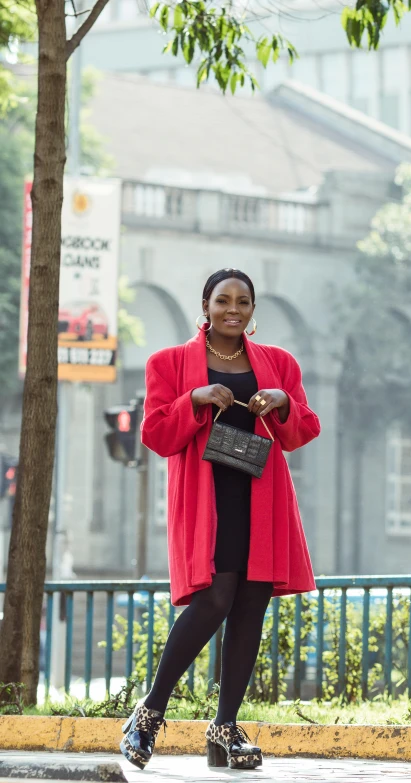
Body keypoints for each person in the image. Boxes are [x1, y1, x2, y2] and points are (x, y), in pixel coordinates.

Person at [120, 268, 320, 771]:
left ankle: (225, 728)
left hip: (261, 494)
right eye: (223, 300)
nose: (234, 309)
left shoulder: (279, 363)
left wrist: (282, 403)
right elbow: (156, 435)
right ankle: (148, 715)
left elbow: (303, 429)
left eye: (244, 302)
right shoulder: (168, 363)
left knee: (251, 602)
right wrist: (194, 398)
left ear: (253, 310)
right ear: (205, 305)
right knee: (213, 600)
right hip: (206, 497)